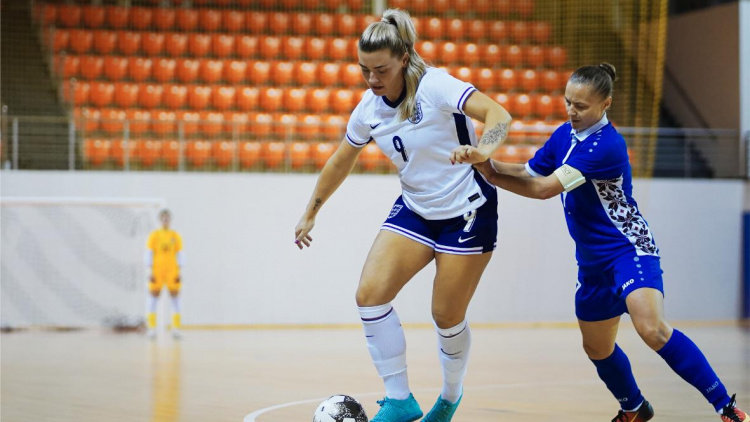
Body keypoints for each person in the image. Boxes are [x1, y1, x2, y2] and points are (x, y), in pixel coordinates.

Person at [452, 63, 748, 422]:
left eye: (581, 106)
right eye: (568, 102)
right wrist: (486, 160)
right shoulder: (565, 134)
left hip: (627, 249)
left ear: (605, 104)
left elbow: (544, 189)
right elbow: (531, 171)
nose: (572, 111)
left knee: (651, 329)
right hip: (591, 262)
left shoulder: (606, 145)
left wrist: (491, 175)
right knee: (597, 347)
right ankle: (634, 408)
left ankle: (726, 407)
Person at [294, 9, 511, 422]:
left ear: (405, 57)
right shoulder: (368, 108)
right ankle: (399, 400)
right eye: (364, 71)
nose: (372, 80)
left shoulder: (437, 86)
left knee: (446, 316)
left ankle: (448, 398)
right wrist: (311, 212)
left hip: (467, 210)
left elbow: (499, 115)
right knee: (369, 296)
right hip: (416, 208)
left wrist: (484, 150)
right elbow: (341, 161)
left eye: (381, 70)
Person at [145, 209, 184, 339]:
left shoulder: (175, 236)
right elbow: (149, 253)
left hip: (172, 270)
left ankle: (176, 329)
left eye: (167, 218)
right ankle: (151, 328)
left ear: (170, 220)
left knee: (175, 298)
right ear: (160, 220)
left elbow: (180, 254)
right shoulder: (154, 235)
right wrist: (149, 270)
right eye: (163, 218)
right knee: (153, 298)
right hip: (157, 270)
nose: (165, 221)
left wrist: (180, 270)